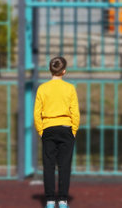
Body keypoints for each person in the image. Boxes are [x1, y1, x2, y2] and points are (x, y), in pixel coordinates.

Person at [34, 56, 80, 208]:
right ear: (64, 71)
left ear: (50, 70)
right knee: (64, 165)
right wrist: (74, 129)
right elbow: (75, 113)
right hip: (66, 128)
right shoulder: (70, 88)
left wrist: (41, 130)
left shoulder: (42, 88)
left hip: (48, 128)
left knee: (48, 165)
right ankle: (62, 200)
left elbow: (36, 113)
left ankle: (49, 200)